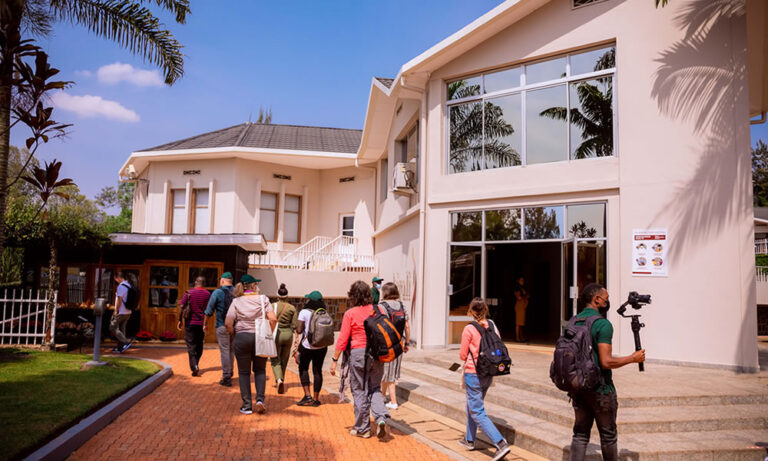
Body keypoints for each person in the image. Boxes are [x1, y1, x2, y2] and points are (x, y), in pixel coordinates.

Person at [569, 283, 645, 461]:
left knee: (580, 435)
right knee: (608, 436)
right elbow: (606, 361)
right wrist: (633, 358)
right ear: (597, 299)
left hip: (578, 388)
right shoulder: (602, 324)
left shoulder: (573, 321)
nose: (608, 301)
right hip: (600, 390)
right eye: (606, 298)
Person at [330, 281, 390, 439]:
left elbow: (342, 339)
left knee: (359, 391)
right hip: (377, 354)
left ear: (352, 296)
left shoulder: (350, 313)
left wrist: (334, 359)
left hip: (358, 354)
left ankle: (363, 428)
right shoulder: (378, 310)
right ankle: (381, 418)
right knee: (375, 388)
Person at [458, 298, 510, 461]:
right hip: (488, 372)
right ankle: (469, 439)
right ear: (485, 310)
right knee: (472, 406)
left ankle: (501, 444)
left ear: (471, 311)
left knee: (477, 410)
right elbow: (498, 345)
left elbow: (462, 354)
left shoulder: (469, 329)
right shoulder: (493, 325)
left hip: (473, 373)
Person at [225, 274, 276, 415]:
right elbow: (273, 319)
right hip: (260, 337)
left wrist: (234, 335)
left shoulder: (236, 301)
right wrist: (268, 334)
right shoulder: (263, 299)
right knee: (260, 370)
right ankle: (260, 400)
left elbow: (228, 323)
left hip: (242, 337)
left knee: (244, 372)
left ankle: (246, 405)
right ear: (253, 286)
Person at [294, 290, 328, 406]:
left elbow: (299, 330)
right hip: (322, 346)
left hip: (307, 346)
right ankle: (316, 399)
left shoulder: (304, 312)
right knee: (317, 371)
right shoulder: (323, 311)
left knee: (303, 368)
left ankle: (307, 396)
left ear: (310, 300)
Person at [379, 282, 410, 410]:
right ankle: (382, 396)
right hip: (399, 343)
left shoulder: (382, 306)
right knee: (389, 372)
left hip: (387, 344)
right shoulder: (402, 305)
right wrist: (407, 342)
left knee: (388, 373)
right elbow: (407, 326)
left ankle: (393, 401)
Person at [204, 271, 235, 386]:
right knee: (232, 350)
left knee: (225, 351)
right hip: (234, 326)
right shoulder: (237, 292)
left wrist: (205, 324)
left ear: (222, 281)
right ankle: (230, 371)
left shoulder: (217, 292)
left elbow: (209, 310)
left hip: (222, 325)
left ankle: (226, 376)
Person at [178, 276, 211, 377]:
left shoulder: (189, 293)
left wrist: (180, 320)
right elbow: (207, 310)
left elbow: (182, 306)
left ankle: (194, 366)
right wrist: (205, 323)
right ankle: (196, 363)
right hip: (201, 323)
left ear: (196, 282)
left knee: (191, 345)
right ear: (204, 283)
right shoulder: (207, 294)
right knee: (199, 344)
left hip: (190, 323)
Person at [271, 283, 297, 394]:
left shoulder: (272, 306)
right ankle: (281, 379)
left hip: (277, 334)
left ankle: (279, 379)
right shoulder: (292, 308)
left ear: (277, 296)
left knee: (275, 358)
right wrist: (297, 339)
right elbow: (295, 325)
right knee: (284, 359)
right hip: (288, 335)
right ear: (287, 296)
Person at [110, 272, 133, 353]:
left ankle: (126, 342)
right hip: (128, 312)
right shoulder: (129, 285)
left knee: (112, 327)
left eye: (115, 279)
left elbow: (119, 299)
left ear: (118, 278)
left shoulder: (121, 286)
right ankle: (120, 347)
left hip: (121, 311)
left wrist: (116, 310)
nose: (115, 281)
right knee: (121, 329)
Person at [513, 276, 530, 342]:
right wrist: (525, 297)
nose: (522, 281)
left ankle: (521, 337)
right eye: (521, 280)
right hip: (519, 305)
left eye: (523, 280)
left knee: (522, 322)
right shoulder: (517, 288)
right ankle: (517, 338)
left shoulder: (523, 288)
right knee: (518, 322)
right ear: (518, 281)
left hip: (523, 305)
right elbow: (519, 298)